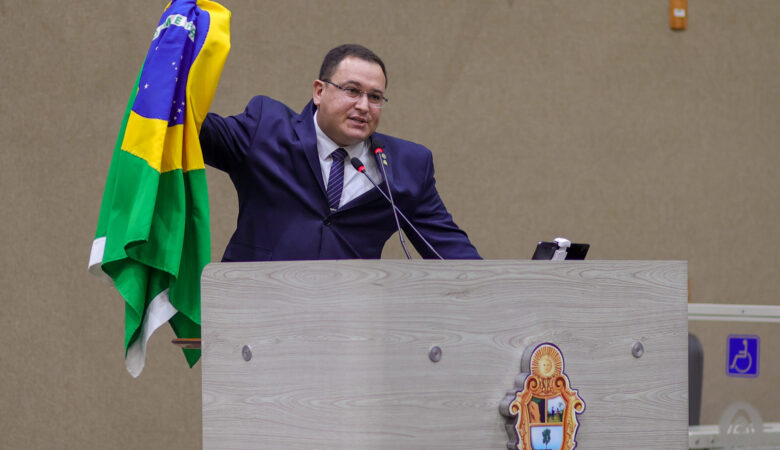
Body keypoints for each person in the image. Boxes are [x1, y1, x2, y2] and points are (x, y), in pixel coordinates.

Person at [199, 44, 480, 261]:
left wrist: (496, 290)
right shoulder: (266, 129)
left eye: (375, 97)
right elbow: (192, 131)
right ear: (319, 92)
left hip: (350, 314)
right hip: (255, 307)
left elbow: (451, 252)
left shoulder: (408, 165)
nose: (364, 106)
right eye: (352, 90)